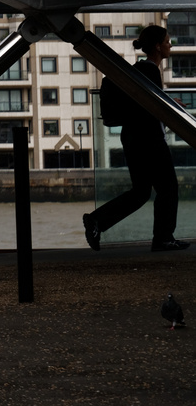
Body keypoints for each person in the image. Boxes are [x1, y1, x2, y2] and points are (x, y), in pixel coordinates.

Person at [83, 25, 188, 253]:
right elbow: (150, 106)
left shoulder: (140, 70)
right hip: (148, 140)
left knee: (141, 192)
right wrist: (169, 106)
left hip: (133, 138)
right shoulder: (150, 70)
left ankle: (97, 221)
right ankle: (163, 239)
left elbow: (147, 103)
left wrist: (170, 104)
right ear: (158, 46)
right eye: (168, 41)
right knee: (168, 187)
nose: (171, 45)